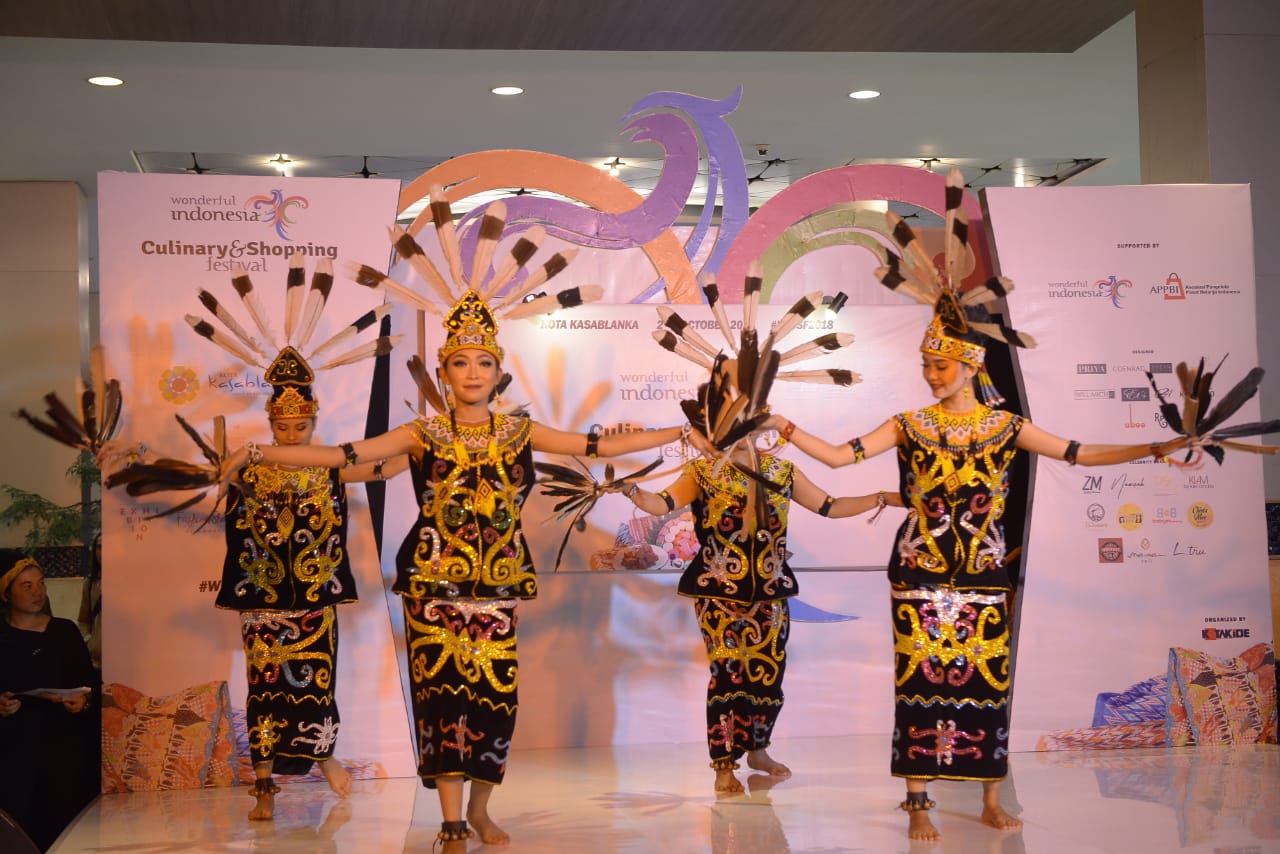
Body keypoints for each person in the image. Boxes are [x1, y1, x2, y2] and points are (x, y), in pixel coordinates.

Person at [222, 285, 688, 848]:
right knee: (443, 702)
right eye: (461, 362)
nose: (473, 373)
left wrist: (684, 432)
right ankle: (450, 823)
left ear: (498, 373)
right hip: (432, 592)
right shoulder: (423, 433)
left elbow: (595, 447)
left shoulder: (519, 431)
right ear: (444, 372)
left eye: (483, 363)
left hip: (495, 592)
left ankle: (480, 810)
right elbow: (342, 457)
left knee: (495, 702)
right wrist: (256, 452)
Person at [767, 306, 1193, 841]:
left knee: (988, 684)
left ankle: (991, 798)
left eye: (941, 365)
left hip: (985, 573)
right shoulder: (907, 424)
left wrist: (1153, 449)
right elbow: (837, 457)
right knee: (918, 684)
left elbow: (1079, 454)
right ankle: (917, 802)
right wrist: (782, 425)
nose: (931, 375)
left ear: (971, 366)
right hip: (918, 573)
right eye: (926, 365)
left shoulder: (1007, 427)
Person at [620, 425, 901, 793]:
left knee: (768, 676)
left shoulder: (781, 472)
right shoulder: (702, 471)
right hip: (718, 593)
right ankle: (723, 765)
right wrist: (633, 491)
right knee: (727, 675)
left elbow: (829, 506)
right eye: (732, 421)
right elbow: (662, 504)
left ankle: (758, 749)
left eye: (748, 421)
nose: (741, 429)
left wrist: (880, 497)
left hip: (770, 590)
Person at [220, 344, 407, 821]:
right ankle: (264, 786)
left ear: (313, 423)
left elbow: (385, 468)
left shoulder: (328, 466)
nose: (290, 434)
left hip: (314, 598)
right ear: (270, 424)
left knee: (316, 686)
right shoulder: (250, 470)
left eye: (300, 427)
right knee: (264, 689)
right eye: (282, 427)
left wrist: (422, 445)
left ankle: (324, 757)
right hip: (262, 601)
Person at [0, 551, 101, 852]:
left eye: (41, 583)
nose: (38, 592)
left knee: (64, 829)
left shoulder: (64, 631)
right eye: (27, 586)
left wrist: (84, 701)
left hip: (62, 750)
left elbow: (90, 685)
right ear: (6, 594)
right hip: (14, 753)